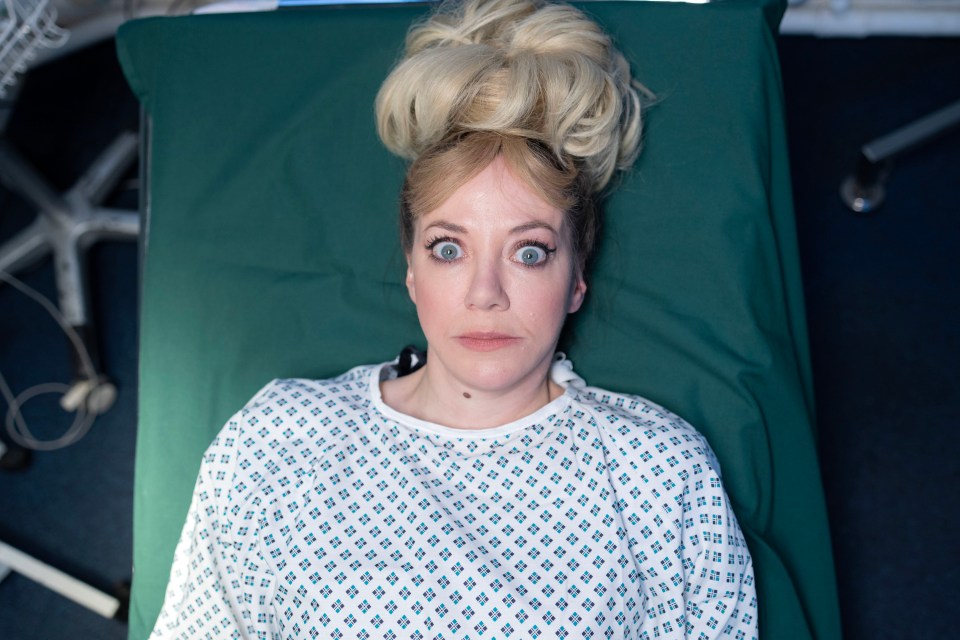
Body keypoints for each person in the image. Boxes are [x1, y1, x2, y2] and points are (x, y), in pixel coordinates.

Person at [150, 0, 758, 638]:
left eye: (529, 252)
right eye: (449, 249)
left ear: (576, 278)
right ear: (412, 271)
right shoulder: (279, 440)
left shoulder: (655, 471)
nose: (485, 292)